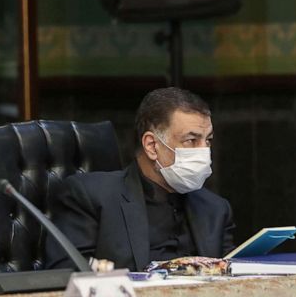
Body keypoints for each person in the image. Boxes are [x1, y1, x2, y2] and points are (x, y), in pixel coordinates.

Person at [44, 87, 235, 272]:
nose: (203, 151)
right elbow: (66, 272)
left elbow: (233, 278)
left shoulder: (215, 209)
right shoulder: (91, 196)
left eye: (207, 141)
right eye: (191, 141)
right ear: (152, 146)